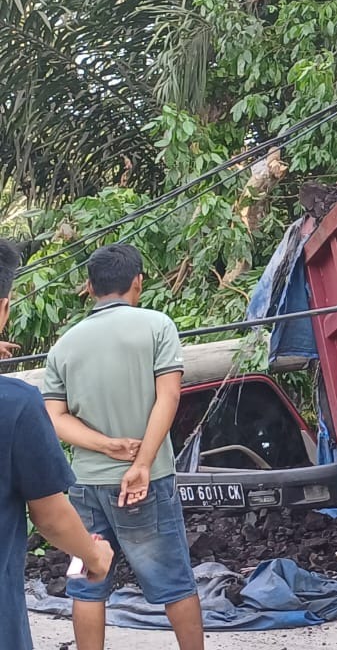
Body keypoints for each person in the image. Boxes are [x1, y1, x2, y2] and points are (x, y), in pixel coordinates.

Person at [41, 243, 204, 650]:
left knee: (86, 581)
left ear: (90, 287)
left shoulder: (64, 345)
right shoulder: (157, 326)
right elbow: (168, 397)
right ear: (137, 282)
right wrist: (142, 463)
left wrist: (105, 445)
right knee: (175, 583)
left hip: (84, 489)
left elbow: (55, 418)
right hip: (146, 485)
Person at [0, 237, 115, 650]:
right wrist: (93, 554)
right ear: (4, 309)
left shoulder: (64, 352)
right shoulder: (14, 403)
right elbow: (49, 517)